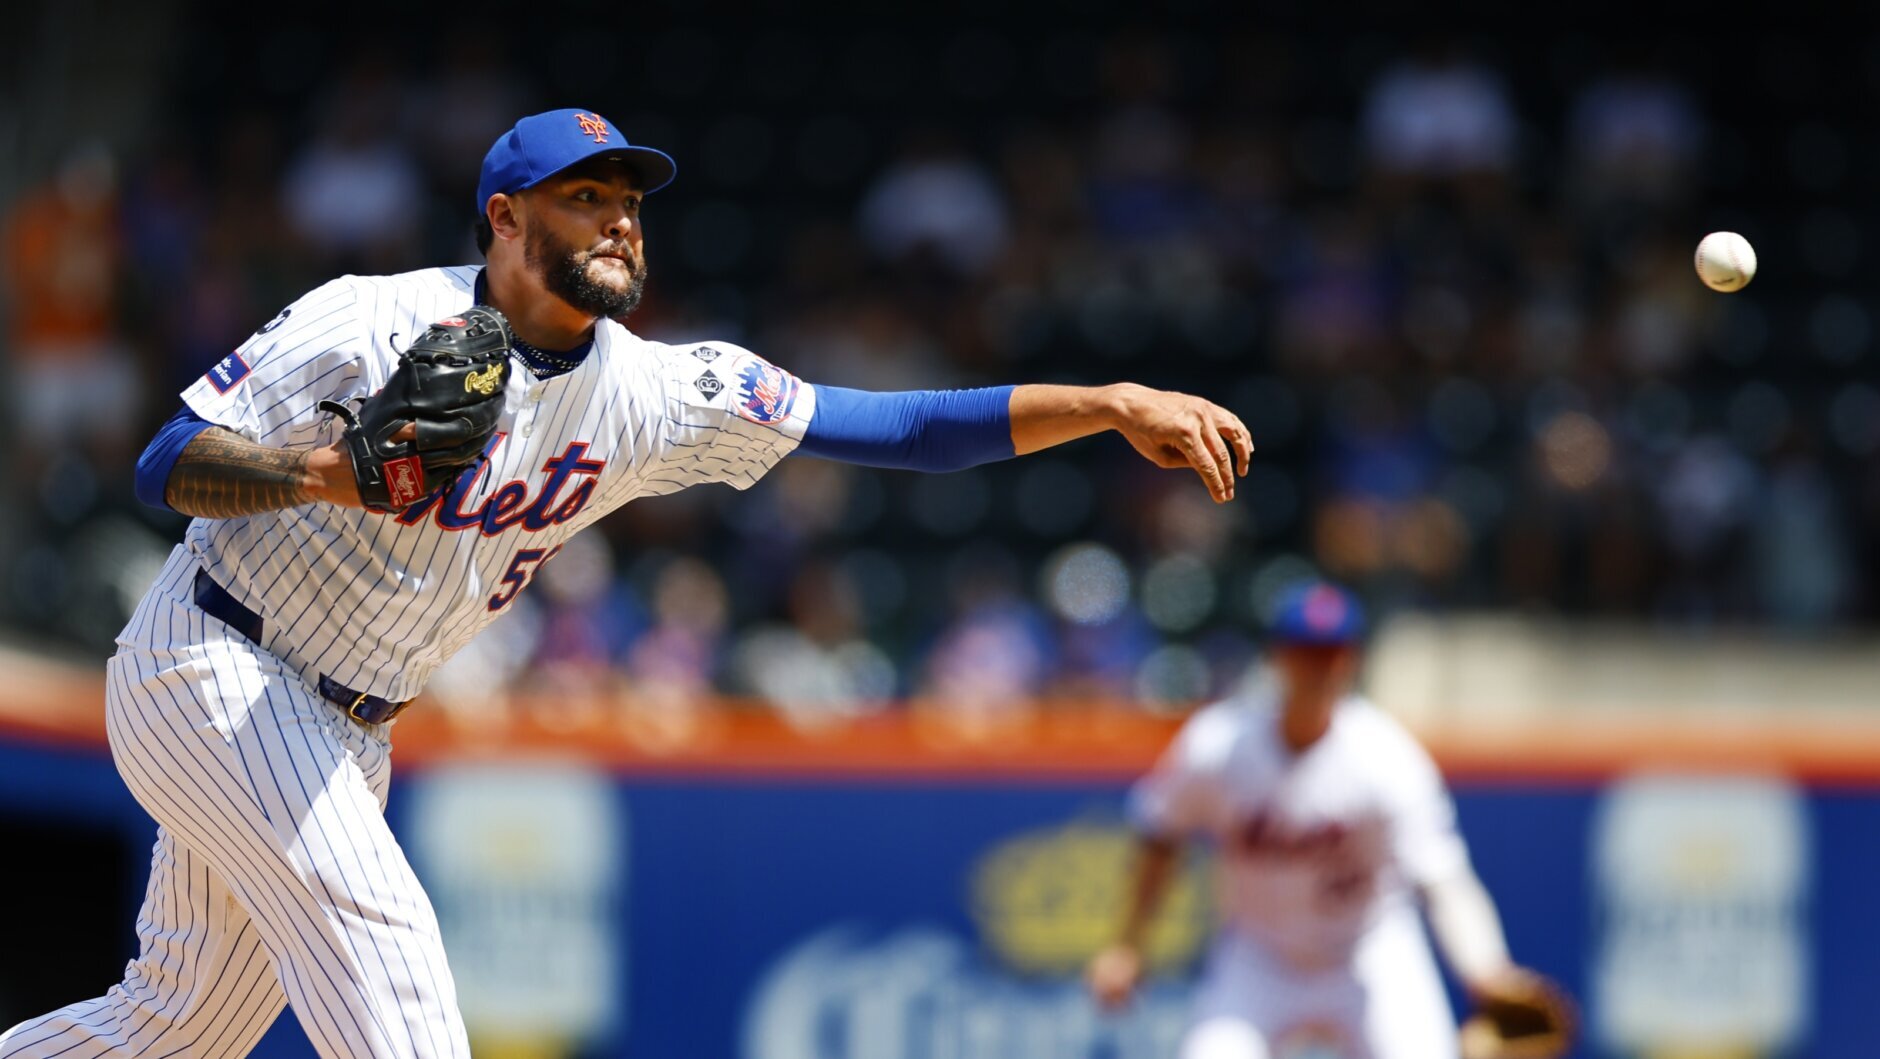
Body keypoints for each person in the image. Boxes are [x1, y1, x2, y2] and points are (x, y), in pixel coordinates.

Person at [0, 108, 1251, 1059]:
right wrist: (326, 472)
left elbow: (901, 427)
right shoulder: (370, 320)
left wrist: (1105, 401)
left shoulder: (652, 393)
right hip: (214, 662)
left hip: (347, 727)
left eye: (629, 202)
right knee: (387, 957)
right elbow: (166, 461)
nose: (618, 222)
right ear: (504, 219)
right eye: (584, 196)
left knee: (175, 1025)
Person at [1086, 581, 1559, 1059]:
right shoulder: (1219, 745)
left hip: (1368, 953)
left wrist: (1488, 970)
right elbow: (1161, 834)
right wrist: (1127, 944)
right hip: (1260, 955)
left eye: (1333, 653)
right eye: (1307, 652)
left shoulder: (1387, 759)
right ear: (1278, 657)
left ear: (1351, 661)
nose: (1321, 668)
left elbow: (1443, 880)